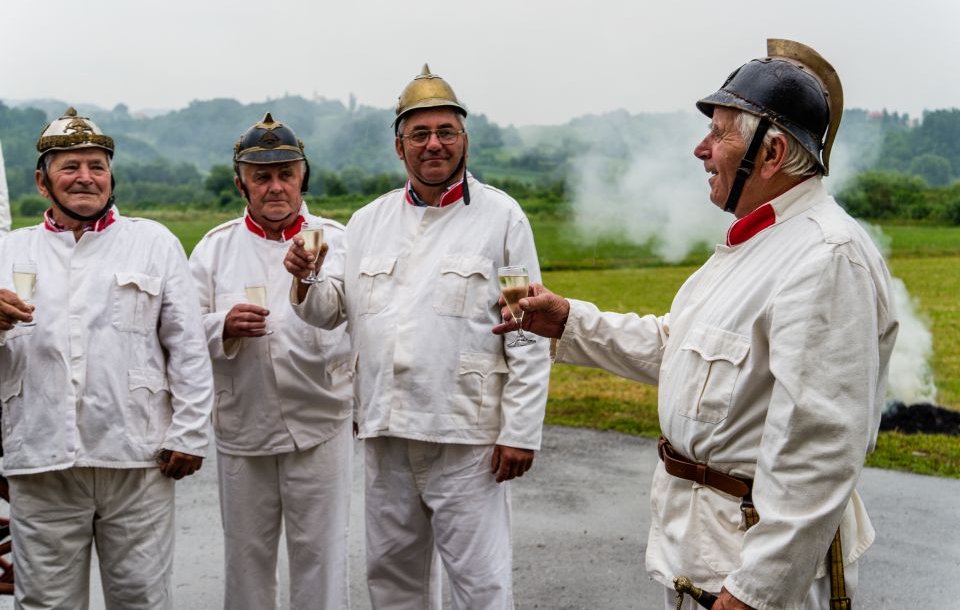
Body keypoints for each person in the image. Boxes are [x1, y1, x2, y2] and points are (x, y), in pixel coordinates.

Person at [495, 40, 899, 610]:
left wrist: (754, 592)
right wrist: (567, 320)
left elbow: (820, 454)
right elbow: (677, 347)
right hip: (705, 554)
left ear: (772, 151)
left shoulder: (825, 258)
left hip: (752, 575)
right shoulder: (757, 242)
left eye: (720, 133)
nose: (701, 149)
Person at [284, 65, 551, 610]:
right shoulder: (368, 221)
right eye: (420, 134)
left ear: (465, 139)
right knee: (393, 581)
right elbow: (331, 311)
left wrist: (521, 430)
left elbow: (525, 327)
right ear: (399, 146)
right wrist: (304, 276)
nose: (434, 145)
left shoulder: (502, 217)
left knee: (480, 585)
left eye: (446, 132)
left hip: (466, 435)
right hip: (386, 431)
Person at [0, 107, 213, 610]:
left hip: (137, 456)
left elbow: (187, 347)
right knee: (46, 603)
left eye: (96, 165)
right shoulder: (9, 251)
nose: (85, 177)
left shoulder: (152, 242)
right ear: (42, 181)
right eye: (69, 166)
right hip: (40, 458)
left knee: (139, 598)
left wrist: (189, 433)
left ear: (111, 176)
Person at [189, 113, 354, 610]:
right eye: (262, 177)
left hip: (322, 420)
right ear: (241, 183)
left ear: (304, 176)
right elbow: (178, 330)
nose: (275, 187)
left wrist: (312, 279)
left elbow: (351, 317)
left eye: (286, 174)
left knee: (321, 557)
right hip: (244, 424)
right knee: (246, 557)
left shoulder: (339, 240)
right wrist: (221, 325)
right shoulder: (214, 250)